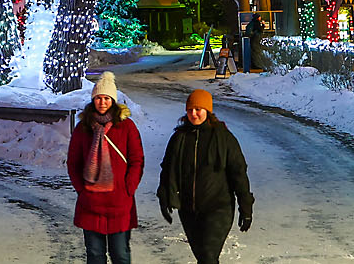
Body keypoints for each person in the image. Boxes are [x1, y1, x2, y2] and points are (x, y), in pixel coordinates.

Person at [157, 88, 253, 264]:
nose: (194, 114)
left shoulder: (223, 138)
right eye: (190, 110)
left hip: (218, 208)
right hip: (188, 210)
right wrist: (165, 197)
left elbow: (238, 173)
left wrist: (245, 207)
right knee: (203, 258)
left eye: (198, 109)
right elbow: (167, 169)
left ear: (207, 111)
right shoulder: (179, 138)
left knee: (208, 257)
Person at [67, 71, 143, 264]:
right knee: (94, 255)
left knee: (120, 255)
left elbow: (136, 160)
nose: (102, 102)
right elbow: (73, 162)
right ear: (93, 100)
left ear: (113, 101)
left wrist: (128, 187)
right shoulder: (83, 128)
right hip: (90, 202)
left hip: (119, 202)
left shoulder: (127, 127)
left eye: (107, 98)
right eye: (99, 98)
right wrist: (81, 189)